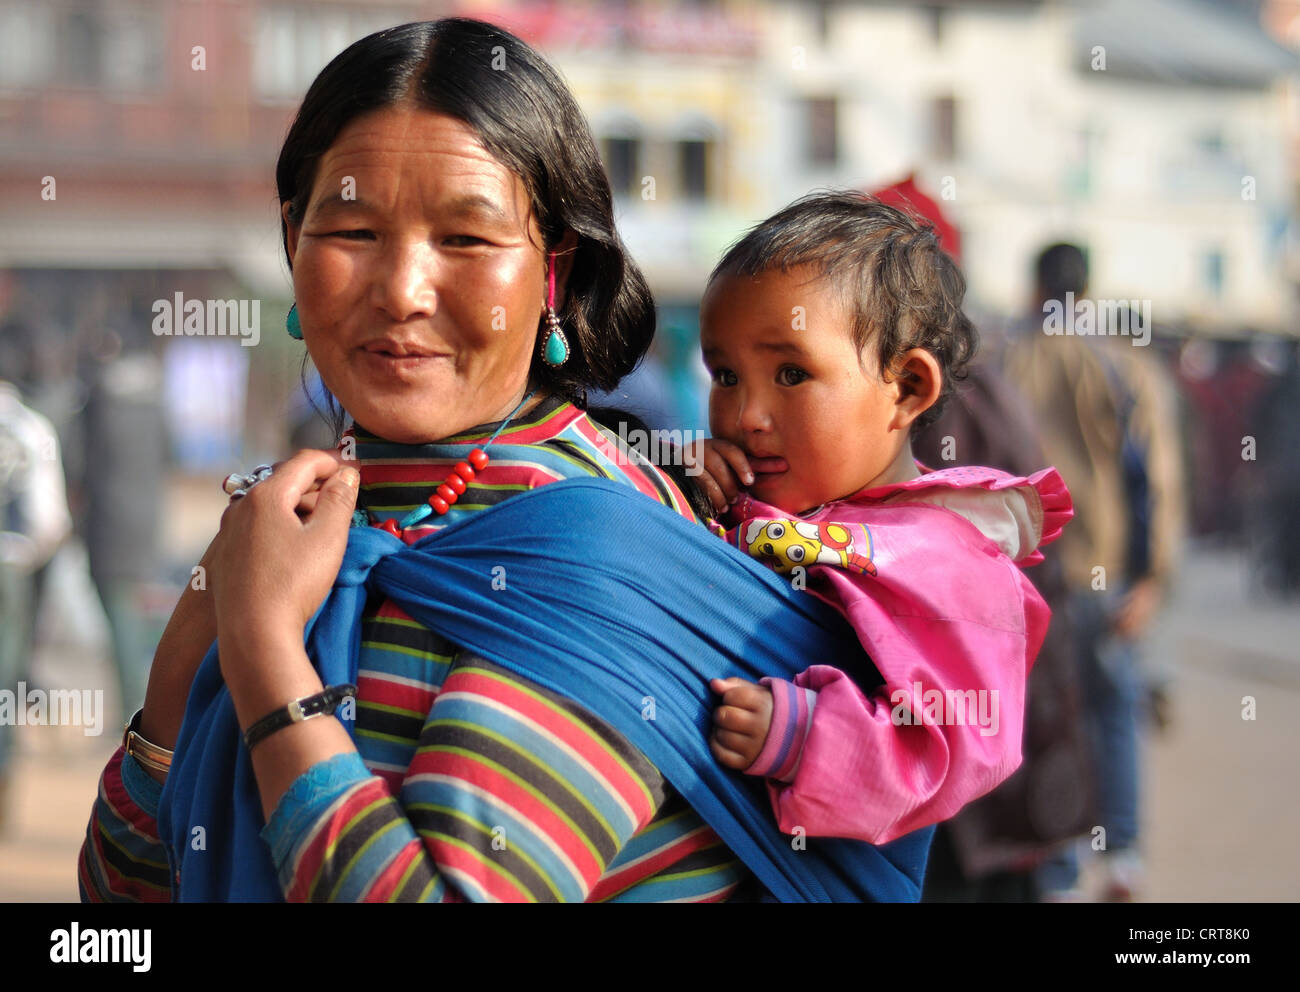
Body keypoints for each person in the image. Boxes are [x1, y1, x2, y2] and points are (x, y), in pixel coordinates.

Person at [77, 18, 932, 903]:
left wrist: (261, 655)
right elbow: (122, 900)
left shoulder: (582, 556)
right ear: (293, 241)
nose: (403, 291)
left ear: (553, 271)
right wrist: (178, 686)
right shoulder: (314, 522)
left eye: (467, 239)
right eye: (354, 231)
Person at [688, 192, 1073, 844]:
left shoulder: (942, 561)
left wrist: (805, 736)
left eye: (789, 372)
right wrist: (680, 491)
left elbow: (960, 747)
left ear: (908, 388)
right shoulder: (756, 499)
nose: (745, 414)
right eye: (725, 375)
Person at [1005, 243, 1185, 901]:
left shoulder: (1003, 362)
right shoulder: (1125, 367)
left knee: (1040, 720)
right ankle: (1122, 857)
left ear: (1035, 286)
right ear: (1087, 289)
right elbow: (1155, 483)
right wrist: (1153, 578)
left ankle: (1053, 865)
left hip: (1027, 575)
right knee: (1112, 711)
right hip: (1104, 577)